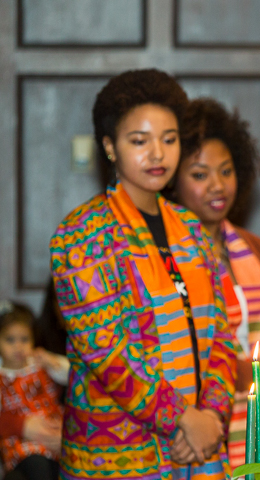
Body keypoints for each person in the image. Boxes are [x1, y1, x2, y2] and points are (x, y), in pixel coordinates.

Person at [49, 69, 236, 480]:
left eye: (169, 140)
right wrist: (182, 419)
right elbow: (107, 352)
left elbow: (223, 332)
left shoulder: (191, 228)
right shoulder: (83, 234)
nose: (158, 154)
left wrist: (210, 417)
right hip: (120, 455)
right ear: (109, 147)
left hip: (200, 449)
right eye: (140, 141)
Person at [169, 97, 260, 469]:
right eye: (200, 175)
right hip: (192, 434)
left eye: (226, 171)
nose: (217, 186)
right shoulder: (163, 256)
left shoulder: (258, 251)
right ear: (171, 180)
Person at [0, 300, 68, 480]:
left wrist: (52, 361)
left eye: (24, 339)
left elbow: (73, 375)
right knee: (38, 468)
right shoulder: (2, 376)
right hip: (23, 444)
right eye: (10, 340)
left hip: (55, 440)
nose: (18, 346)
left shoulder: (38, 365)